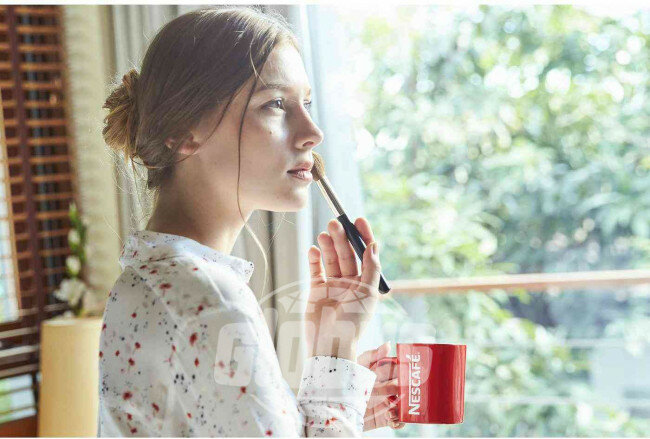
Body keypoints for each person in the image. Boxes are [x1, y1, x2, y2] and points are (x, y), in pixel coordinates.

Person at [98, 6, 404, 436]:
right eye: (275, 104)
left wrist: (329, 404)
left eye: (306, 103)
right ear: (183, 131)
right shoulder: (207, 298)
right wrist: (336, 353)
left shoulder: (147, 280)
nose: (313, 132)